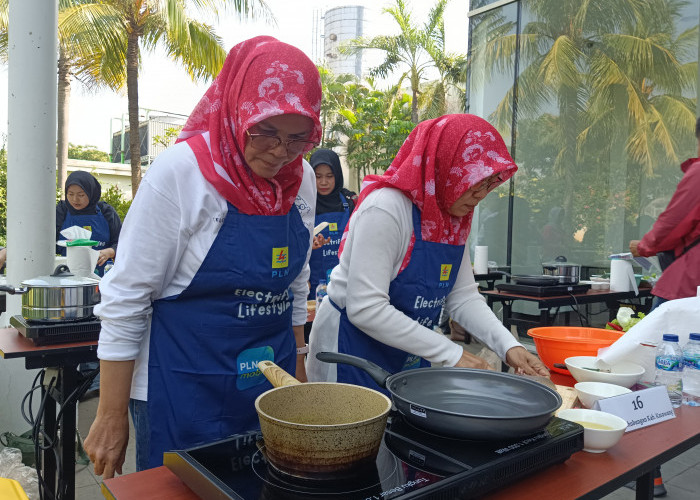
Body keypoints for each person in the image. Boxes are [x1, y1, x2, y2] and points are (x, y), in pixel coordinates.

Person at [83, 36, 323, 478]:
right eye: (265, 131)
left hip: (267, 385)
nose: (279, 152)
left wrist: (300, 367)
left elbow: (296, 281)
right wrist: (110, 414)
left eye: (297, 139)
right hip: (184, 386)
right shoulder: (181, 174)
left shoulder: (301, 177)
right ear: (238, 111)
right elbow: (126, 296)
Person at [307, 114, 549, 389]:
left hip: (408, 349)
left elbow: (463, 298)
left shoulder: (453, 218)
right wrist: (453, 354)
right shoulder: (386, 209)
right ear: (444, 167)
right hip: (351, 350)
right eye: (475, 182)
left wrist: (509, 346)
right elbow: (366, 308)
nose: (481, 194)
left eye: (489, 184)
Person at [628, 117, 700, 497]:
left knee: (654, 374)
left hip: (684, 292)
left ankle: (647, 470)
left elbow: (672, 222)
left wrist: (646, 245)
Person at [308, 148, 357, 298]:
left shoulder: (350, 203)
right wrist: (308, 244)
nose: (324, 182)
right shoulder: (304, 203)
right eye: (318, 176)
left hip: (345, 284)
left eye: (329, 176)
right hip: (311, 285)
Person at [56, 171, 122, 276]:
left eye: (81, 195)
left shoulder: (106, 211)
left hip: (103, 277)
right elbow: (47, 244)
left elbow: (123, 242)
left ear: (91, 192)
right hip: (68, 277)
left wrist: (111, 251)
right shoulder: (62, 210)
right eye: (70, 194)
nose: (75, 199)